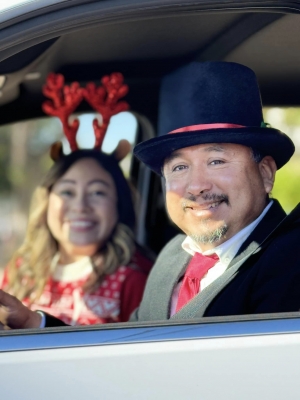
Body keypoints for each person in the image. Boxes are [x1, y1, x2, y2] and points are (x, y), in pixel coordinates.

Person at [1, 60, 300, 329]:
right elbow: (123, 356)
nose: (196, 186)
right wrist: (32, 322)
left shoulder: (290, 262)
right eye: (180, 167)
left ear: (265, 174)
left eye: (216, 161)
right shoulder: (172, 256)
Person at [0, 71, 153, 327]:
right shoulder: (21, 270)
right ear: (47, 202)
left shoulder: (135, 279)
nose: (80, 206)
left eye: (97, 193)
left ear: (119, 204)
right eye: (67, 192)